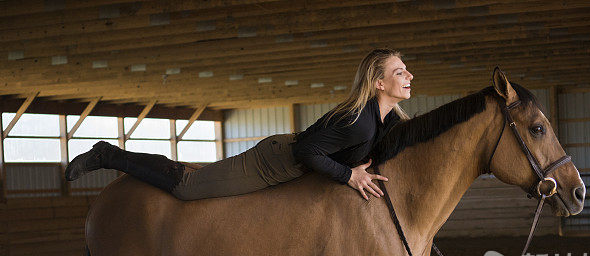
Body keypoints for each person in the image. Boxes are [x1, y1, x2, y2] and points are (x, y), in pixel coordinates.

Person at [65, 48, 413, 201]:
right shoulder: (359, 121)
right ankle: (107, 155)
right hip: (273, 163)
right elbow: (308, 151)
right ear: (378, 83)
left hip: (294, 166)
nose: (409, 75)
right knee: (187, 187)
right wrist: (349, 175)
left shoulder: (385, 118)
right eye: (399, 72)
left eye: (406, 69)